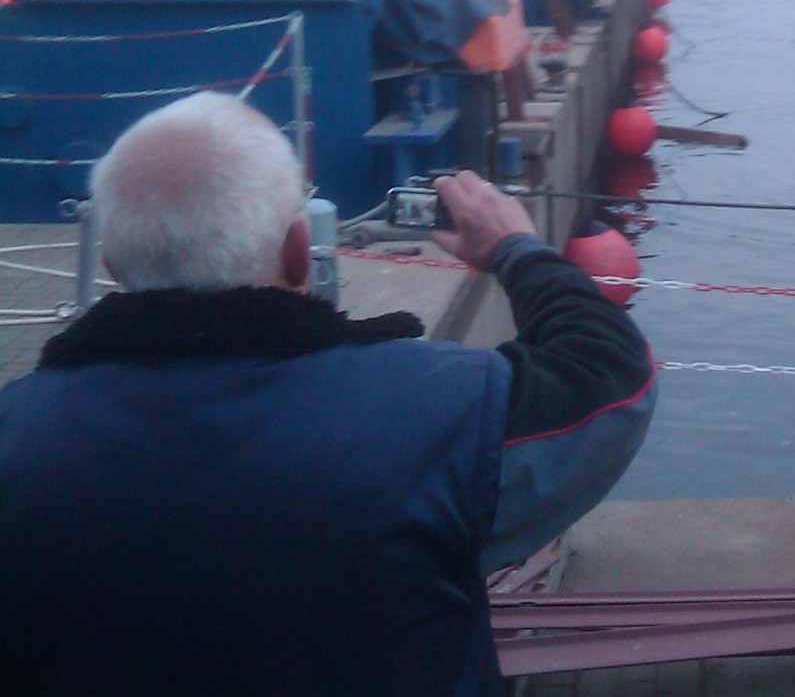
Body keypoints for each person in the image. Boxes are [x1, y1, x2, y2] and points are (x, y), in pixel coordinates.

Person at [0, 92, 656, 695]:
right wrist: (515, 248)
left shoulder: (19, 432)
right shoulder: (433, 413)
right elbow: (609, 374)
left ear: (113, 267)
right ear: (297, 249)